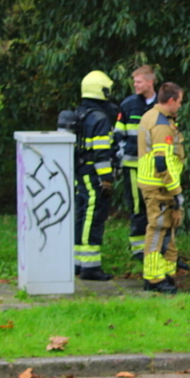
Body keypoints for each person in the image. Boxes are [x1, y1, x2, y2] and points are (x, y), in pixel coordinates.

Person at [136, 81, 185, 294]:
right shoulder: (161, 124)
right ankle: (155, 279)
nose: (180, 107)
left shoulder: (154, 116)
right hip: (159, 186)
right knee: (157, 230)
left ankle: (164, 274)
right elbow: (161, 162)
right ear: (171, 100)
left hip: (157, 184)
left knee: (167, 230)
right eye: (180, 102)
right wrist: (176, 192)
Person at [74, 70, 118, 281]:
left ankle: (77, 262)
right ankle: (90, 267)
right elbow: (101, 152)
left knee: (81, 216)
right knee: (93, 217)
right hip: (93, 175)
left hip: (80, 173)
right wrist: (106, 179)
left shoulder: (79, 114)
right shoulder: (100, 118)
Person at [115, 64, 157, 261]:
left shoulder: (162, 104)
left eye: (138, 81)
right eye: (134, 82)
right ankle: (139, 251)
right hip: (133, 166)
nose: (135, 85)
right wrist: (122, 156)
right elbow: (118, 135)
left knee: (156, 207)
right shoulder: (129, 104)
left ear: (150, 82)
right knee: (137, 208)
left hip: (156, 167)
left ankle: (156, 248)